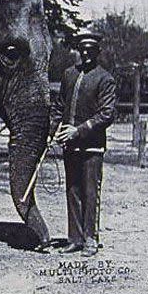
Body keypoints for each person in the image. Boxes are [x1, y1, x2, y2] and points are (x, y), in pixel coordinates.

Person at [49, 31, 116, 257]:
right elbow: (59, 105)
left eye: (91, 50)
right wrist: (53, 130)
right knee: (72, 191)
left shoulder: (105, 78)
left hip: (92, 146)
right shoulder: (69, 75)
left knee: (90, 192)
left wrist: (77, 131)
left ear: (97, 52)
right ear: (79, 51)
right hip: (70, 146)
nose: (86, 54)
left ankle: (90, 239)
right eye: (83, 50)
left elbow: (107, 114)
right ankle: (74, 239)